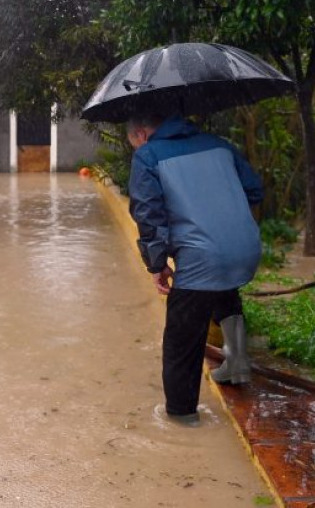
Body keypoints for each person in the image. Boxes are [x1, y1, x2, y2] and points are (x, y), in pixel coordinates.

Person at [126, 113, 263, 427]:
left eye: (133, 144)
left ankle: (182, 415)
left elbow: (149, 215)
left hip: (203, 256)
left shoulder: (148, 156)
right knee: (224, 292)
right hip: (245, 247)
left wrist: (157, 265)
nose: (136, 150)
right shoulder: (219, 145)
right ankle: (237, 364)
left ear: (142, 134)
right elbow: (254, 190)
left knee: (182, 334)